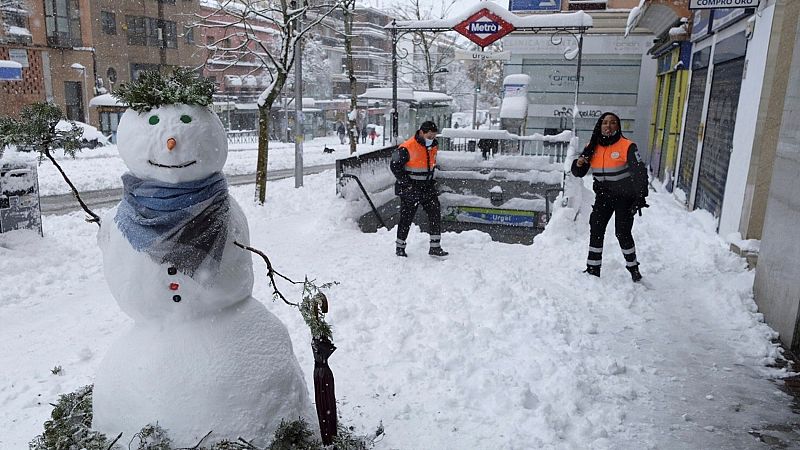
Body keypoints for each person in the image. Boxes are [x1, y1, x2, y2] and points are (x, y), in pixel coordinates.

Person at [570, 112, 649, 282]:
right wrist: (578, 164)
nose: (608, 125)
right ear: (600, 125)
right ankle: (593, 268)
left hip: (625, 197)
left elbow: (640, 172)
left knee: (622, 232)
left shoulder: (627, 146)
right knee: (596, 229)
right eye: (605, 122)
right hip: (603, 196)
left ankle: (633, 268)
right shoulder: (592, 146)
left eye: (613, 123)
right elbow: (579, 172)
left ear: (618, 127)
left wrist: (640, 196)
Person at [390, 121, 448, 257]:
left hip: (427, 187)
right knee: (406, 218)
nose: (432, 139)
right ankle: (400, 247)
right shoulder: (407, 147)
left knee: (435, 213)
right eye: (429, 136)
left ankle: (435, 247)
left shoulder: (433, 145)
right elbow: (394, 166)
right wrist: (408, 184)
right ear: (421, 132)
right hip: (410, 188)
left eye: (434, 136)